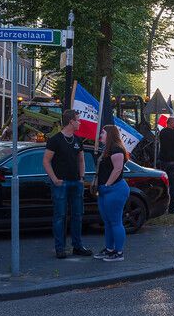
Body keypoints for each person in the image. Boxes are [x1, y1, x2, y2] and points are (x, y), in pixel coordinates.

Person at [43, 109, 93, 259]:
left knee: (77, 215)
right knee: (60, 216)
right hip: (61, 183)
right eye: (78, 120)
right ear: (71, 121)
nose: (80, 122)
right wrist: (54, 179)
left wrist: (82, 177)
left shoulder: (78, 140)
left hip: (76, 182)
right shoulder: (55, 140)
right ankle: (60, 248)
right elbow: (46, 161)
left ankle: (77, 246)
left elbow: (81, 160)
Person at [93, 125, 130, 262]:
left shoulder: (116, 149)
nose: (100, 134)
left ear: (109, 134)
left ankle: (118, 252)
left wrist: (107, 185)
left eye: (103, 132)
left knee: (115, 222)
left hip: (115, 189)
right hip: (106, 190)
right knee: (108, 222)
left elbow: (118, 169)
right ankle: (109, 249)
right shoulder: (107, 149)